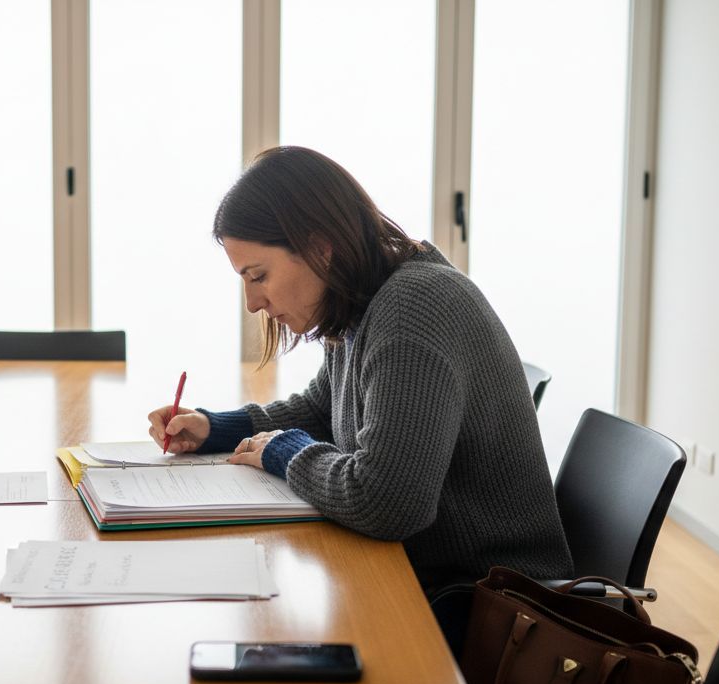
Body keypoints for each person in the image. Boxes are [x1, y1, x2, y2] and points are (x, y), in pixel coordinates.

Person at [147, 146, 572, 595]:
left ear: (319, 249)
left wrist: (285, 453)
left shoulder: (413, 309)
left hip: (487, 607)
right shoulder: (361, 303)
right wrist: (218, 427)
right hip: (426, 579)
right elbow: (321, 408)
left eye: (258, 276)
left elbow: (387, 502)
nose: (253, 303)